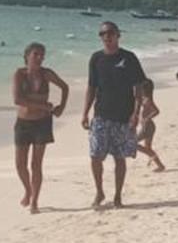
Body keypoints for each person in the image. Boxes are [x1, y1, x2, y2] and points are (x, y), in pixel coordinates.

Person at [81, 21, 150, 208]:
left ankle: (118, 195)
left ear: (118, 35)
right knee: (96, 156)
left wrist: (136, 113)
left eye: (111, 33)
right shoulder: (96, 59)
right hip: (101, 115)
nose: (107, 36)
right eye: (103, 34)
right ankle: (99, 192)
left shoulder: (129, 58)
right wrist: (85, 113)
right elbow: (91, 87)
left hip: (123, 116)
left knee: (119, 158)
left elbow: (139, 87)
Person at [11, 42, 68, 214]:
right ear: (27, 55)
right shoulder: (19, 74)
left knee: (36, 164)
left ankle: (35, 200)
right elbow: (18, 100)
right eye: (36, 54)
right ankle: (28, 190)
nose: (39, 58)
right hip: (23, 123)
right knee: (20, 164)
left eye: (42, 55)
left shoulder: (47, 74)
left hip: (42, 123)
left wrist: (61, 107)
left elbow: (65, 87)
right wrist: (45, 106)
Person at [135, 84, 166, 173]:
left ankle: (153, 157)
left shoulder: (148, 100)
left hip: (148, 126)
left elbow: (156, 111)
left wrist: (147, 118)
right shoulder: (144, 99)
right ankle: (160, 165)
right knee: (147, 147)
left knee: (133, 143)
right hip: (148, 126)